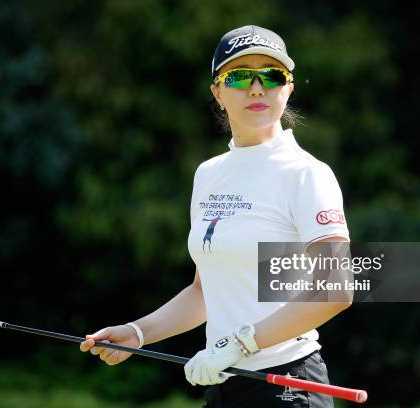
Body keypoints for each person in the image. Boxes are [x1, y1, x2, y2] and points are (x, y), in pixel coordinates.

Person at [80, 25, 351, 408]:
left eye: (272, 76)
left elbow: (334, 289)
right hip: (224, 386)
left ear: (288, 88)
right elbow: (203, 292)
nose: (257, 89)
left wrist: (239, 344)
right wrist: (138, 333)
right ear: (218, 93)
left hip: (287, 385)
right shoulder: (208, 175)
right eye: (239, 76)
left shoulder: (307, 174)